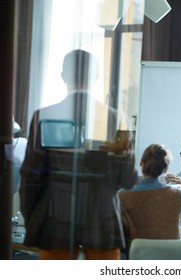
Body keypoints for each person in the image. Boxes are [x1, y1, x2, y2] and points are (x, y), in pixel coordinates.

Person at [19, 49, 137, 259]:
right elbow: (128, 179)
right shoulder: (116, 118)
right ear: (96, 76)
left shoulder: (43, 116)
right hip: (102, 219)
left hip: (56, 219)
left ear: (64, 75)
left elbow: (31, 176)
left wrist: (32, 220)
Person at [118, 144, 181, 256]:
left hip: (140, 259)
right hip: (172, 258)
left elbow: (120, 234)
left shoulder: (123, 196)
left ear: (141, 162)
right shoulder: (179, 195)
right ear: (165, 169)